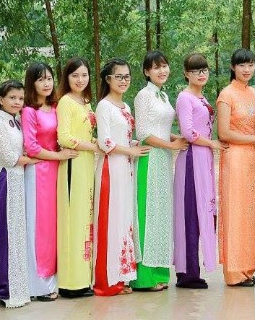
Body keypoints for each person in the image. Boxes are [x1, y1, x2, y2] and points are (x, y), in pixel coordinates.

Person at [93, 59, 150, 296]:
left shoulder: (125, 106)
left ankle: (122, 277)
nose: (124, 80)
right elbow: (105, 142)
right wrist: (130, 151)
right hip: (112, 167)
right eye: (119, 76)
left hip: (126, 167)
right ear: (108, 79)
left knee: (125, 220)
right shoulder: (104, 106)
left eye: (127, 76)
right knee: (111, 220)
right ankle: (107, 281)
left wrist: (136, 144)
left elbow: (123, 137)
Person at [21, 63, 77, 302]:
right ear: (31, 83)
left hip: (58, 170)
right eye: (40, 79)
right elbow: (32, 148)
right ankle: (39, 284)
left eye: (49, 78)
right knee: (40, 227)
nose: (46, 83)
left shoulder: (56, 107)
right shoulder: (28, 111)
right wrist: (58, 156)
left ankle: (57, 277)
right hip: (39, 172)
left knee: (56, 225)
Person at [133, 50, 186, 291]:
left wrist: (176, 138)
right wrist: (171, 145)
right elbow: (143, 133)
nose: (162, 71)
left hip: (163, 159)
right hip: (150, 158)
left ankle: (160, 273)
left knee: (161, 214)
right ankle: (145, 277)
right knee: (148, 213)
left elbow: (161, 128)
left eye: (164, 66)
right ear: (147, 72)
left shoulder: (163, 95)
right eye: (156, 67)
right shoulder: (143, 96)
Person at [173, 53, 227, 289]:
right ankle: (187, 273)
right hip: (192, 158)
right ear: (186, 74)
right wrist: (212, 143)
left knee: (203, 209)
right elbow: (188, 132)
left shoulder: (201, 97)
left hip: (203, 158)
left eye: (204, 70)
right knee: (191, 213)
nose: (201, 74)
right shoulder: (185, 98)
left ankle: (192, 270)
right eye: (195, 71)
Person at [0, 80, 32, 309]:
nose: (17, 102)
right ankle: (1, 288)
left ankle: (15, 286)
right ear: (0, 100)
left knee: (15, 234)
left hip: (16, 182)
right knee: (3, 234)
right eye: (12, 98)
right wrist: (38, 159)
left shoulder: (16, 122)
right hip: (4, 182)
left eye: (20, 98)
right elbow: (10, 158)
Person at [217, 48, 255, 286]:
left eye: (251, 65)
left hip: (254, 159)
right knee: (235, 212)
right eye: (242, 65)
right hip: (235, 158)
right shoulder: (226, 95)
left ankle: (247, 268)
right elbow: (224, 133)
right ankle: (234, 272)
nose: (247, 70)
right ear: (232, 67)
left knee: (250, 213)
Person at [56, 57, 101, 298]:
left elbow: (87, 133)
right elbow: (64, 137)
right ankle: (70, 283)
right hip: (73, 163)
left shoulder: (86, 103)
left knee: (86, 220)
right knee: (73, 221)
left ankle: (84, 280)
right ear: (67, 78)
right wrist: (93, 147)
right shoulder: (65, 102)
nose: (80, 80)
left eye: (84, 75)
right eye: (75, 75)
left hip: (86, 164)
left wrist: (99, 143)